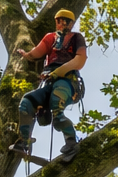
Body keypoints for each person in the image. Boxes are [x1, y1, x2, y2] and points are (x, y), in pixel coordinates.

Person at [13, 9, 86, 162]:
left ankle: (71, 142)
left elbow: (80, 60)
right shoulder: (50, 37)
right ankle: (24, 140)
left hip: (67, 80)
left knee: (56, 104)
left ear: (71, 23)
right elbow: (38, 52)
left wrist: (59, 71)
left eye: (65, 21)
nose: (62, 24)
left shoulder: (76, 38)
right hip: (48, 81)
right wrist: (27, 55)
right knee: (27, 102)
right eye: (59, 20)